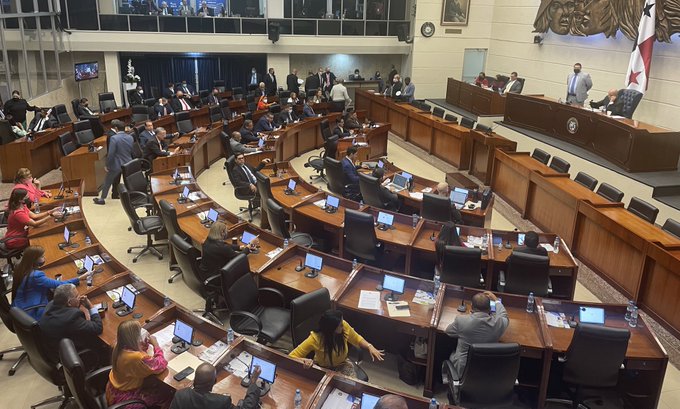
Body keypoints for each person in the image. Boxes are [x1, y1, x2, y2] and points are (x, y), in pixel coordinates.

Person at [290, 310, 384, 377]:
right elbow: (291, 356)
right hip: (323, 368)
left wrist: (369, 346)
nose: (343, 326)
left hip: (342, 364)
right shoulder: (315, 339)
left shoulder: (344, 326)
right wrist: (304, 360)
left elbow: (356, 338)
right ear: (331, 328)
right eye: (340, 325)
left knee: (350, 390)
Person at [106, 320, 172, 409]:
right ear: (134, 337)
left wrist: (142, 345)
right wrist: (156, 345)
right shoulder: (138, 357)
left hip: (113, 391)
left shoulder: (118, 346)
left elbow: (135, 352)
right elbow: (161, 365)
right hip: (126, 399)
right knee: (168, 395)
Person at [445, 291, 509, 380]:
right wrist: (496, 300)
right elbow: (504, 315)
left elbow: (448, 332)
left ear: (471, 306)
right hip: (486, 371)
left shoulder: (461, 321)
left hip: (462, 370)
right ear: (490, 308)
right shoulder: (499, 324)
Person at [12, 246, 84, 320]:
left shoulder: (21, 267)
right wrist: (80, 278)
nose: (44, 258)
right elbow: (60, 285)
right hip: (32, 311)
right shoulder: (36, 276)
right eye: (42, 256)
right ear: (34, 259)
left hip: (20, 307)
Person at [39, 283, 103, 352]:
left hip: (51, 345)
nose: (80, 297)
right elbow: (98, 328)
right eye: (77, 296)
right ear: (69, 303)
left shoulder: (51, 304)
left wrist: (77, 304)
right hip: (68, 351)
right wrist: (90, 307)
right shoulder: (72, 318)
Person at [170, 362, 261, 409]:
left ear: (195, 380)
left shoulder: (180, 395)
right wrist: (253, 382)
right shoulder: (221, 401)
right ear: (214, 382)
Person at [94, 119, 133, 205]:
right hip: (128, 162)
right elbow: (131, 150)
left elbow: (111, 153)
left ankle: (102, 199)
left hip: (116, 163)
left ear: (116, 128)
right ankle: (132, 196)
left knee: (108, 181)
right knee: (128, 180)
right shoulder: (130, 137)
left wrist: (107, 164)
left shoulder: (114, 138)